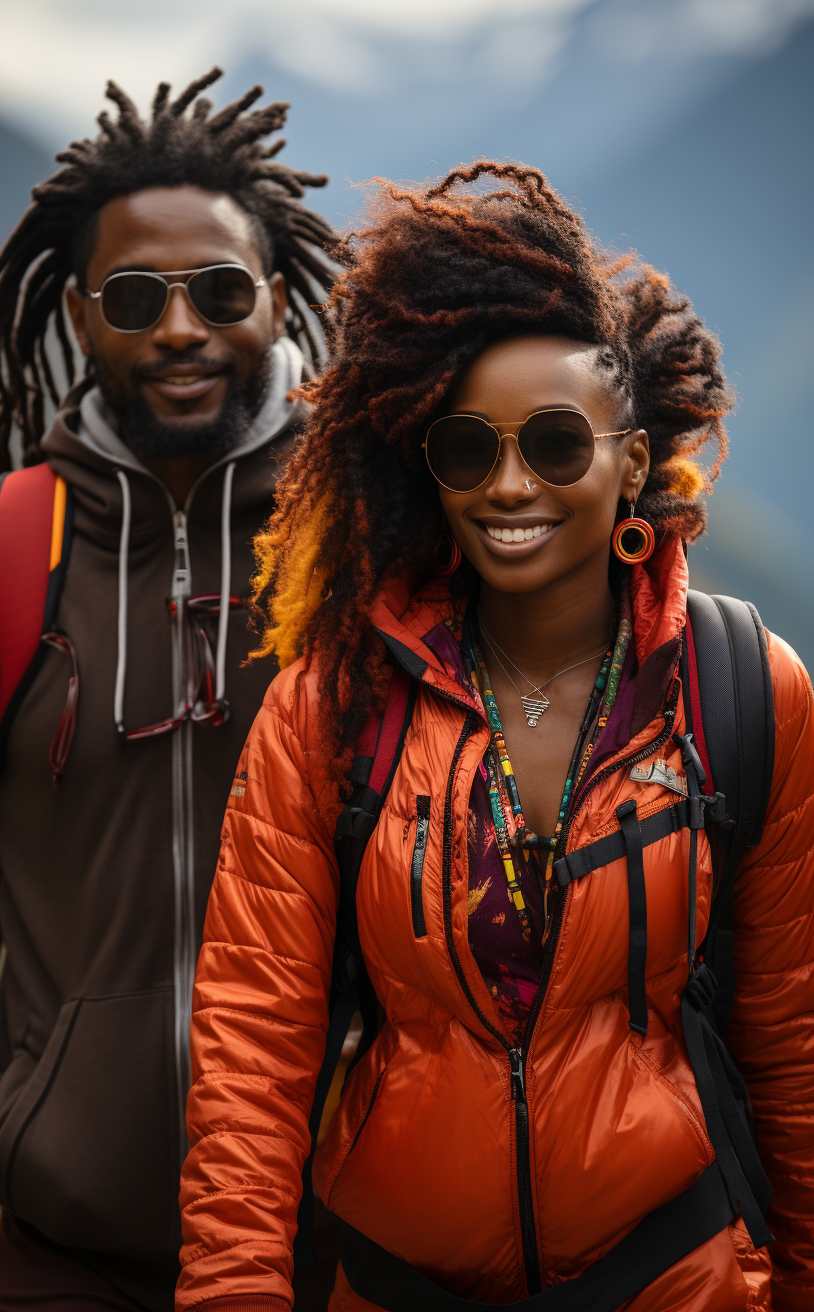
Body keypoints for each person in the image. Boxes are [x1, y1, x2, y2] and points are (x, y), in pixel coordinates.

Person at [177, 162, 814, 1311]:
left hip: (672, 1276)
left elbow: (795, 1043)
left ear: (632, 459)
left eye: (558, 444)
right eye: (469, 448)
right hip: (396, 1283)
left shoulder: (740, 690)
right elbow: (250, 1064)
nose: (509, 484)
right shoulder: (332, 705)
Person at [0, 72, 336, 1312]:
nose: (182, 328)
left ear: (275, 299)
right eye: (136, 297)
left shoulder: (373, 548)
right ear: (80, 313)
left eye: (221, 291)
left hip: (360, 1246)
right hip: (68, 1261)